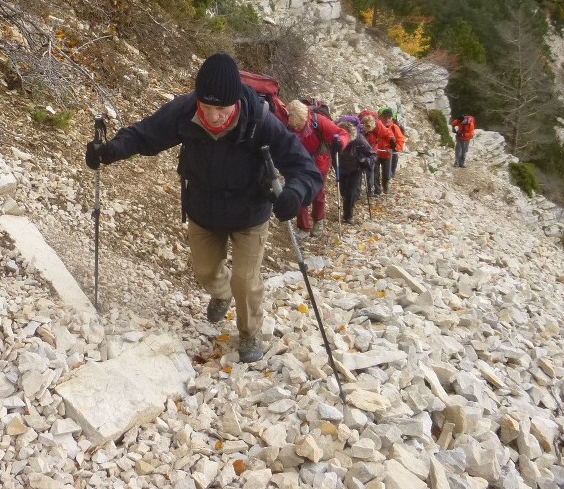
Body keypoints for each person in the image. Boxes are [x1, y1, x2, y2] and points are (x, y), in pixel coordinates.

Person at [84, 53, 322, 363]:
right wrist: (110, 151)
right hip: (204, 209)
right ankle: (220, 293)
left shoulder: (260, 121)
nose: (212, 116)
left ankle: (249, 334)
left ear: (235, 102)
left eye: (221, 109)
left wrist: (296, 192)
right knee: (206, 272)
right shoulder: (185, 111)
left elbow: (305, 169)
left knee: (245, 280)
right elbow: (145, 135)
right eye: (206, 107)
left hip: (250, 212)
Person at [285, 100, 348, 240]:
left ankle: (319, 221)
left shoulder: (318, 121)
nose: (296, 129)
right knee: (299, 192)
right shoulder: (287, 119)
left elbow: (342, 133)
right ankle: (303, 228)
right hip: (299, 161)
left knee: (317, 193)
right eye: (293, 127)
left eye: (299, 127)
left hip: (319, 160)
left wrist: (340, 143)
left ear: (305, 118)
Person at [334, 115, 375, 224]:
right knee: (343, 192)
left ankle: (348, 216)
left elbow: (371, 154)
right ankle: (347, 209)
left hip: (355, 168)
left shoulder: (358, 138)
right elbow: (331, 154)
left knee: (351, 192)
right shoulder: (336, 140)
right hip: (341, 168)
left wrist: (364, 161)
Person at [359, 110, 394, 195]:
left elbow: (387, 132)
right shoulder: (357, 125)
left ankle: (371, 191)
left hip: (372, 148)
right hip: (360, 147)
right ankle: (359, 191)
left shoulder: (377, 124)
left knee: (371, 169)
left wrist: (392, 140)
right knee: (359, 170)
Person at [379, 108, 406, 179]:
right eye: (385, 117)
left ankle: (390, 176)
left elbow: (401, 139)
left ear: (391, 118)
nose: (387, 119)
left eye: (389, 118)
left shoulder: (394, 127)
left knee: (388, 173)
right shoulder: (377, 126)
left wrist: (394, 149)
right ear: (381, 117)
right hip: (378, 152)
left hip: (389, 152)